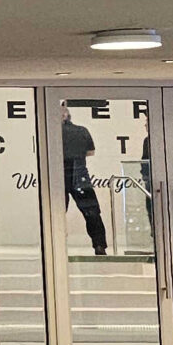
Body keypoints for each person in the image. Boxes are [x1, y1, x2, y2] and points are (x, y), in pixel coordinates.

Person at [60, 109, 109, 255]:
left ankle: (55, 244)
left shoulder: (52, 132)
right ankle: (99, 245)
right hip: (80, 175)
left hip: (58, 175)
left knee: (55, 212)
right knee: (91, 212)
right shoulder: (82, 131)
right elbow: (90, 152)